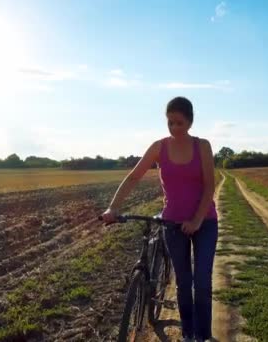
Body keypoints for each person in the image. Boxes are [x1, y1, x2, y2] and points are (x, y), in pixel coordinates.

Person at [101, 96, 218, 342]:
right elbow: (134, 178)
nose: (174, 128)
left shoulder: (203, 146)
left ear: (190, 121)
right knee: (184, 283)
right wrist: (113, 208)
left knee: (202, 282)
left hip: (204, 222)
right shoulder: (158, 147)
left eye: (179, 122)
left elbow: (210, 186)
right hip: (172, 224)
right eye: (170, 122)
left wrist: (196, 220)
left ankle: (202, 335)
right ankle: (188, 334)